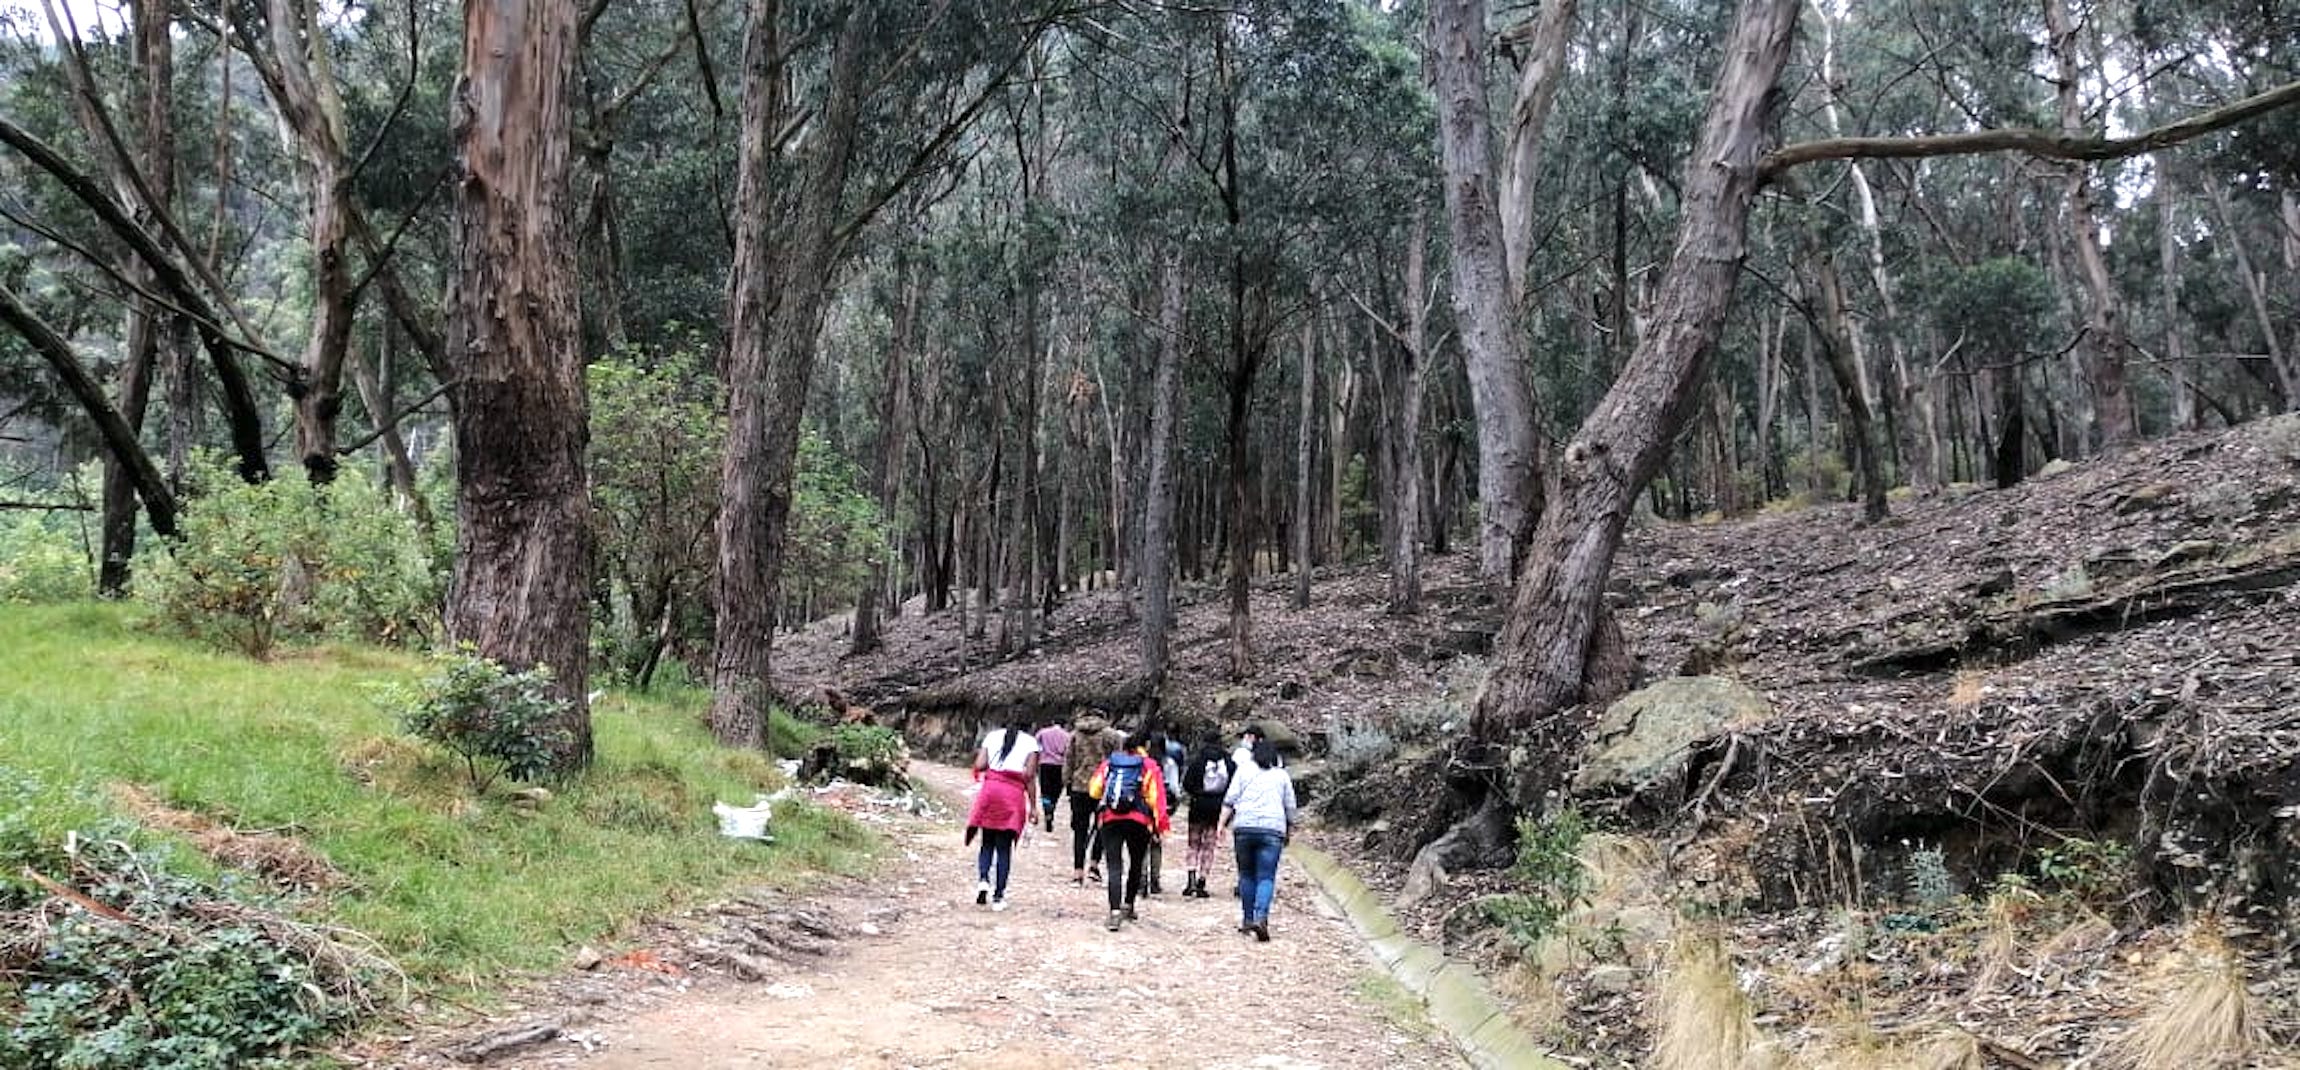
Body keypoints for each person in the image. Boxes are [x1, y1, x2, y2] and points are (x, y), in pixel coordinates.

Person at [1088, 731, 1170, 931]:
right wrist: (1160, 827)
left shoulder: (1110, 764)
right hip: (1139, 821)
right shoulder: (1149, 766)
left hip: (1110, 819)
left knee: (1114, 865)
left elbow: (1094, 790)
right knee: (1136, 863)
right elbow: (1156, 799)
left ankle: (1114, 912)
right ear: (1145, 746)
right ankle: (1128, 905)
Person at [1220, 738, 1295, 942]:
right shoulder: (1282, 776)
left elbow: (1230, 799)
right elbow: (1290, 806)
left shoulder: (1243, 771)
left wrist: (1221, 825)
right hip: (1272, 830)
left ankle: (1247, 919)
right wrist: (1290, 828)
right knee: (1266, 876)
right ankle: (1261, 917)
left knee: (1246, 875)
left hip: (1244, 827)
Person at [965, 722, 1039, 911]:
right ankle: (998, 896)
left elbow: (980, 764)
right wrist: (1033, 807)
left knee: (987, 841)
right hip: (1011, 796)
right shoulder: (1031, 743)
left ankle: (983, 880)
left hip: (990, 792)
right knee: (1004, 848)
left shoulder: (992, 737)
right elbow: (1029, 775)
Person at [1062, 711, 1125, 885]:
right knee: (1102, 827)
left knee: (1079, 830)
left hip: (1079, 786)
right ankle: (1094, 865)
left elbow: (1068, 760)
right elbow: (1118, 760)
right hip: (1103, 786)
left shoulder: (1075, 735)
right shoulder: (1112, 735)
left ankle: (1077, 871)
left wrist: (1067, 782)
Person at [1179, 733, 1234, 898]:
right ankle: (1202, 881)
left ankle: (1191, 879)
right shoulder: (1229, 762)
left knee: (1193, 843)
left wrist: (1197, 793)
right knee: (1209, 845)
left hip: (1198, 805)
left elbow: (1187, 784)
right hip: (1218, 807)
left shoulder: (1198, 760)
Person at [1033, 718, 1070, 833]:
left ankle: (1047, 811)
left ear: (1053, 722)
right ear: (1065, 724)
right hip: (1060, 766)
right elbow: (1068, 752)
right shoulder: (1067, 736)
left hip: (1044, 764)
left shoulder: (1043, 732)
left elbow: (1035, 747)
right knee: (1056, 791)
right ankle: (1052, 808)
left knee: (1045, 791)